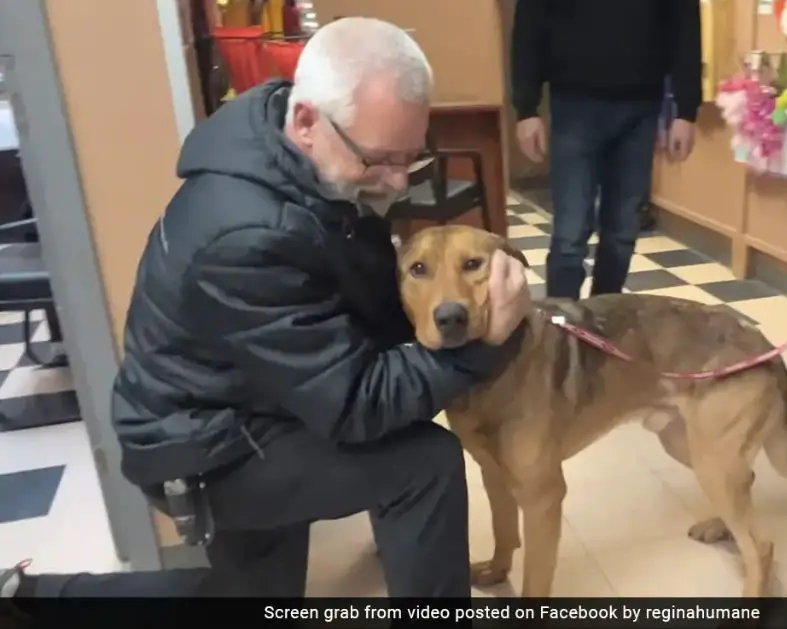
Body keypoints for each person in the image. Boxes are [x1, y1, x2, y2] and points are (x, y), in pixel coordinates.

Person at [1, 16, 531, 607]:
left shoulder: (306, 162)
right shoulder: (246, 233)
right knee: (424, 464)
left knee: (250, 604)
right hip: (204, 451)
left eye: (412, 156)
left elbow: (361, 314)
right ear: (306, 121)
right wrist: (485, 344)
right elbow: (359, 404)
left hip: (252, 405)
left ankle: (27, 598)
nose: (399, 180)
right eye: (381, 159)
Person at [511, 0, 702, 300]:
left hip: (641, 106)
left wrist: (686, 110)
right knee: (571, 233)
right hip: (574, 103)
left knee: (623, 231)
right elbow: (529, 23)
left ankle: (605, 322)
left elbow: (685, 26)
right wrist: (526, 107)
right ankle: (561, 327)